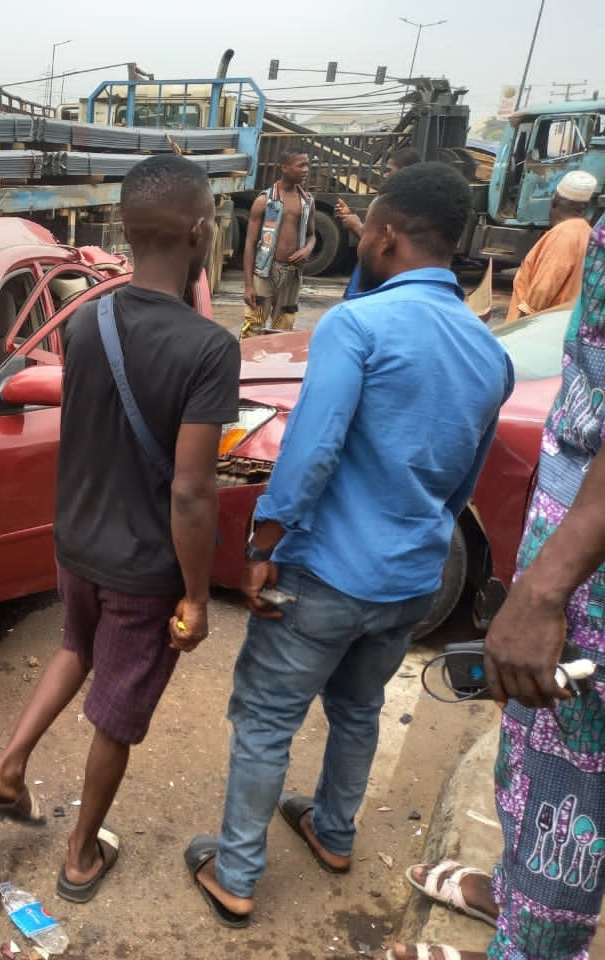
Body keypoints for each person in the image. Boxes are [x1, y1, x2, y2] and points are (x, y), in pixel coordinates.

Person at [185, 162, 515, 928]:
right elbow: (462, 480)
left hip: (328, 572)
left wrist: (263, 540)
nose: (361, 236)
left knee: (267, 718)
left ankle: (236, 873)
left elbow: (310, 453)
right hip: (412, 576)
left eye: (366, 227)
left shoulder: (356, 325)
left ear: (389, 236)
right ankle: (333, 833)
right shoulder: (487, 349)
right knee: (359, 709)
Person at [0, 154, 239, 904]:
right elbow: (191, 490)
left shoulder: (87, 321)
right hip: (142, 567)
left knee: (73, 648)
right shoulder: (209, 348)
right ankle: (82, 855)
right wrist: (196, 596)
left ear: (124, 229)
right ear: (199, 228)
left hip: (76, 545)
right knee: (117, 711)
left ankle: (8, 767)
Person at [389, 217, 605, 960]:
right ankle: (519, 905)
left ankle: (533, 934)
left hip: (587, 593)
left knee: (564, 792)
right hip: (576, 575)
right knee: (546, 787)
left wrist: (544, 590)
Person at [240, 146, 316, 338]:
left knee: (283, 328)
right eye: (301, 165)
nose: (306, 170)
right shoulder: (264, 201)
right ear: (285, 168)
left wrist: (307, 249)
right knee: (253, 325)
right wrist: (249, 285)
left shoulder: (307, 202)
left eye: (307, 165)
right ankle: (249, 366)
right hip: (264, 271)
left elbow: (312, 235)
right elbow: (250, 243)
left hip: (291, 274)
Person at [505, 169, 599, 323]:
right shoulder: (588, 234)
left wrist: (517, 330)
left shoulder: (564, 235)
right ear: (585, 207)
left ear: (554, 200)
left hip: (538, 329)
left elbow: (542, 290)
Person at [336, 147, 423, 299]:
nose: (386, 175)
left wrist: (355, 224)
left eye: (389, 170)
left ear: (406, 171)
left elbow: (379, 244)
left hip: (378, 279)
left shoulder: (398, 204)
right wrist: (349, 217)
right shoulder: (415, 202)